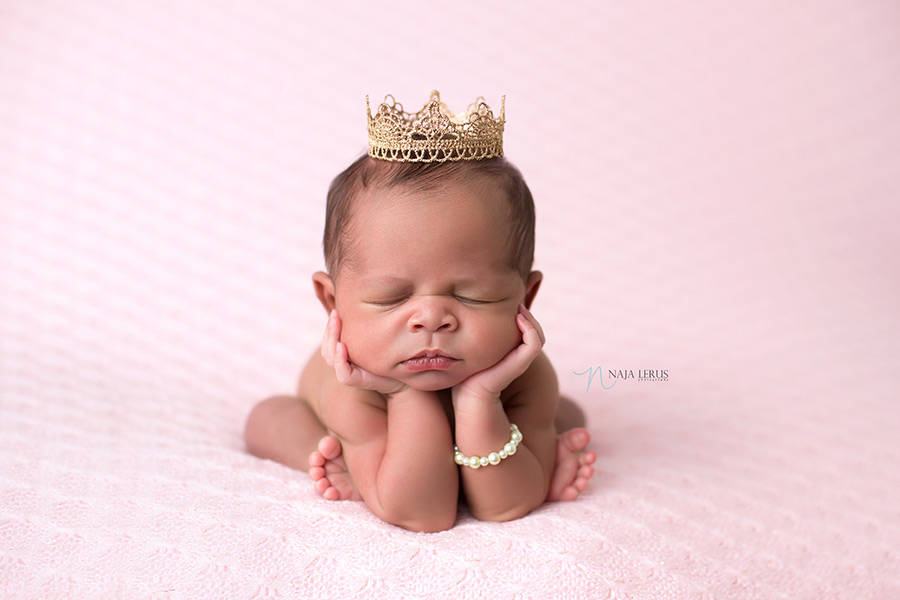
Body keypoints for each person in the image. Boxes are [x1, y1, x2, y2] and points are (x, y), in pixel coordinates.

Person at [244, 92, 595, 532]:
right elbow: (422, 512)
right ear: (332, 302)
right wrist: (400, 394)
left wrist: (481, 399)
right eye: (391, 298)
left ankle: (526, 444)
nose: (430, 320)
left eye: (473, 296)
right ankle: (344, 459)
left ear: (526, 296)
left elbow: (505, 506)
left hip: (491, 408)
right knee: (269, 418)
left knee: (565, 411)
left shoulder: (525, 377)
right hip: (349, 408)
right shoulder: (351, 386)